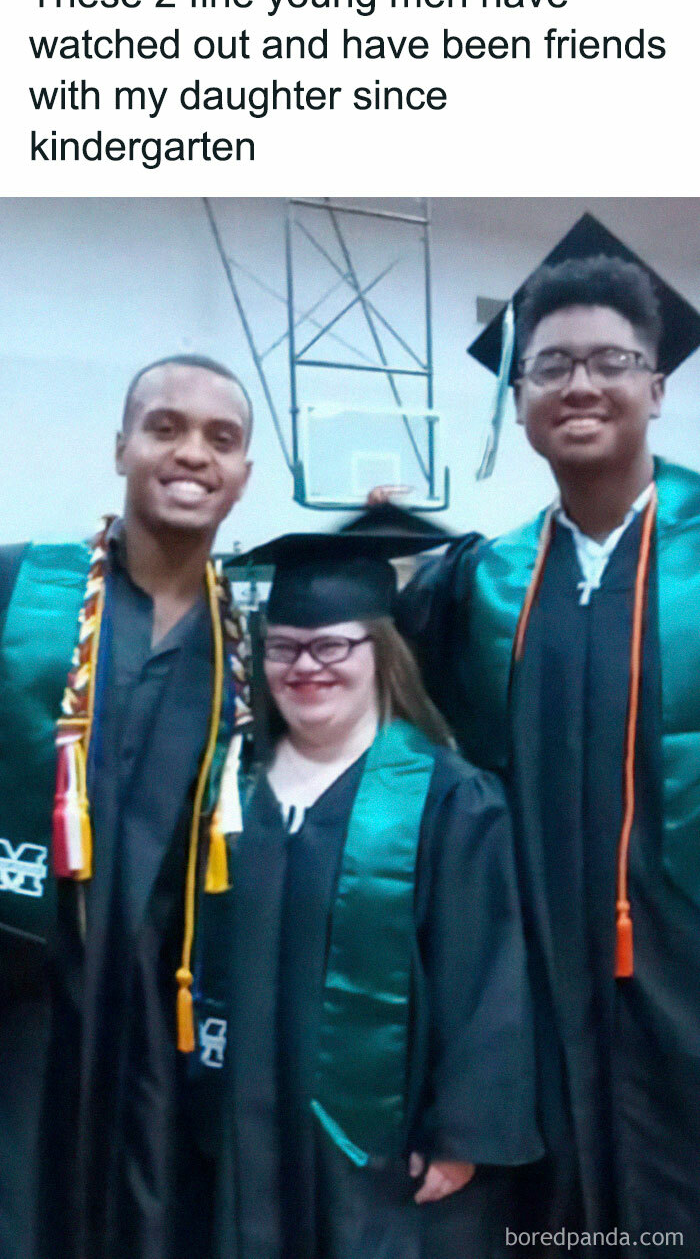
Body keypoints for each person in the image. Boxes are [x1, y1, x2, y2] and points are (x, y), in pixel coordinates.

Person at [396, 214, 700, 1254]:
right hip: (531, 989)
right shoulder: (476, 584)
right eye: (550, 364)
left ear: (655, 387)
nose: (579, 384)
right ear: (518, 398)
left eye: (610, 361)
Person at [214, 505, 543, 1259]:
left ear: (381, 650)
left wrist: (464, 1133)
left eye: (331, 644)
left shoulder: (449, 798)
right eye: (285, 648)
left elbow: (487, 976)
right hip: (248, 1140)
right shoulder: (232, 788)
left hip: (389, 1157)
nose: (305, 666)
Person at [0, 354, 255, 1259]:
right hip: (21, 984)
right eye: (165, 427)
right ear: (120, 448)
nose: (192, 453)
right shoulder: (20, 587)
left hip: (159, 1003)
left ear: (245, 474)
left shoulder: (253, 653)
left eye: (220, 438)